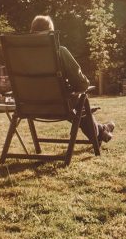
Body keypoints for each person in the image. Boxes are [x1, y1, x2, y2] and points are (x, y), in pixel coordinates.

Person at [29, 15, 115, 143]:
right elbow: (82, 84)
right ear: (50, 33)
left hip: (31, 106)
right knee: (79, 102)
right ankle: (101, 130)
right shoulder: (59, 52)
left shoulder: (21, 55)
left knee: (75, 104)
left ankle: (102, 129)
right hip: (59, 105)